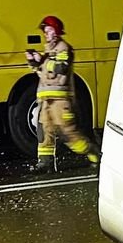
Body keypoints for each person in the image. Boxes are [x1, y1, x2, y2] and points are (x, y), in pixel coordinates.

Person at [25, 15, 100, 172]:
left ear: (57, 31)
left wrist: (43, 61)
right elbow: (42, 73)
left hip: (60, 100)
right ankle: (45, 164)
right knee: (44, 132)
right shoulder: (49, 50)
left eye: (49, 30)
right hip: (46, 99)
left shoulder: (63, 48)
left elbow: (62, 68)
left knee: (67, 133)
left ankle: (93, 153)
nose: (46, 33)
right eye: (45, 31)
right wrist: (34, 62)